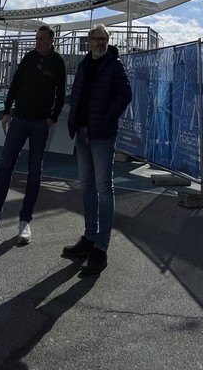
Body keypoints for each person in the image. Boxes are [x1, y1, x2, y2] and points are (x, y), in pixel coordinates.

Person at [0, 24, 66, 246]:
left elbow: (60, 92)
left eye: (42, 39)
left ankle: (25, 221)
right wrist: (6, 110)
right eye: (37, 38)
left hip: (40, 122)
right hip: (19, 118)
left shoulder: (58, 62)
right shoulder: (29, 57)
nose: (38, 42)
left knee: (34, 171)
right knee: (5, 168)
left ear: (51, 40)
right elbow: (16, 83)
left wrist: (53, 117)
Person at [62, 24, 132, 276]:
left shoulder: (114, 65)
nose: (100, 43)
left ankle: (101, 248)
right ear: (89, 41)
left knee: (103, 188)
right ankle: (89, 237)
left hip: (101, 135)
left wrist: (104, 121)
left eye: (104, 39)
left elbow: (125, 94)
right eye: (96, 39)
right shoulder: (83, 65)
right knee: (87, 185)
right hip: (81, 132)